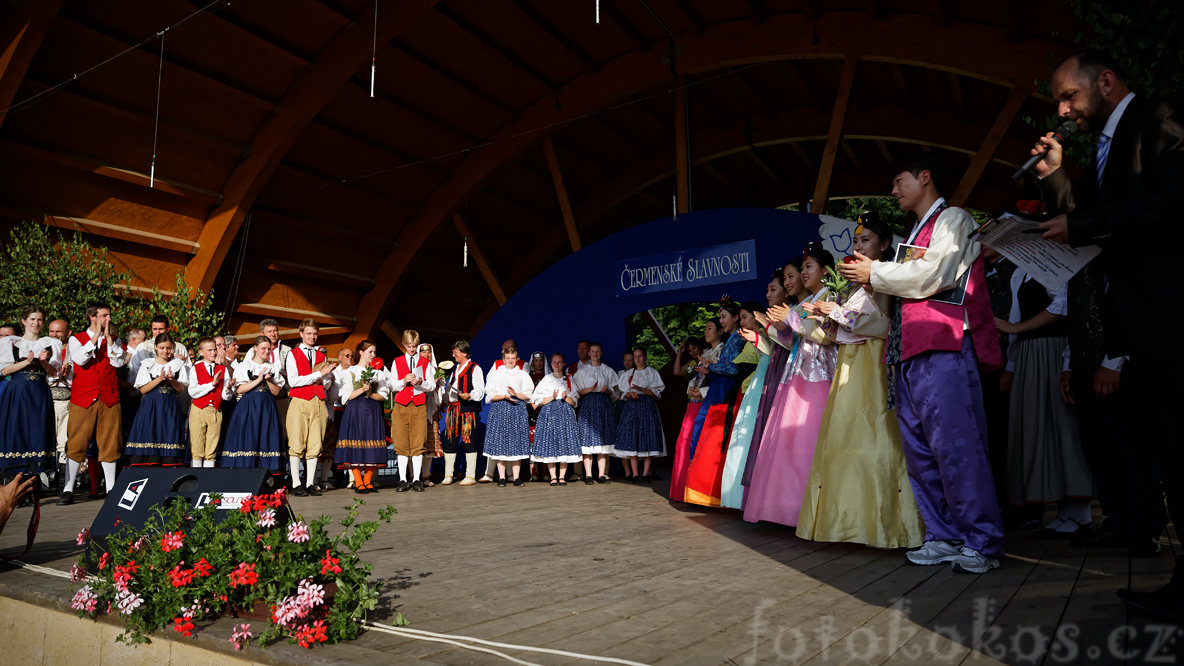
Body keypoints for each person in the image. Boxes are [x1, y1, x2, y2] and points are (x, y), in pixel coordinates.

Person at [1026, 50, 1184, 614]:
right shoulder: (1101, 149)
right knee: (1166, 450)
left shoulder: (1158, 115)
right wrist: (1055, 176)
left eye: (1069, 96)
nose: (1064, 109)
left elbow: (1170, 200)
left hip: (1169, 315)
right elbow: (1092, 227)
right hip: (1136, 326)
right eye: (1059, 102)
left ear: (1107, 81)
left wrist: (1086, 220)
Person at [838, 159, 1004, 574]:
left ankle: (981, 540)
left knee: (957, 447)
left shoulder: (953, 218)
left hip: (944, 345)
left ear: (925, 176)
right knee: (921, 451)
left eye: (898, 181)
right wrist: (872, 278)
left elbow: (936, 273)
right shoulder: (915, 232)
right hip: (910, 350)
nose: (893, 191)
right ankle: (943, 535)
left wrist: (875, 270)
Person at [796, 214, 925, 548]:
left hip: (873, 365)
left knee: (877, 435)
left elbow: (884, 324)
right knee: (844, 438)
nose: (858, 245)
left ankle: (883, 523)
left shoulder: (887, 279)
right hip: (850, 364)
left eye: (866, 239)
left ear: (884, 245)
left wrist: (835, 313)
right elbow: (841, 330)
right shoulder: (854, 285)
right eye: (856, 240)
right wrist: (830, 315)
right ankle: (846, 520)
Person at [744, 243, 838, 528]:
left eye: (809, 267)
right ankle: (787, 508)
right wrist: (771, 328)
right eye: (804, 267)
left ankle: (810, 509)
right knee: (787, 443)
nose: (804, 273)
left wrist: (790, 319)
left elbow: (825, 336)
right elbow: (794, 341)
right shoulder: (809, 301)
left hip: (818, 374)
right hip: (796, 372)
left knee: (807, 441)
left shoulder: (830, 298)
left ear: (825, 271)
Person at [719, 278, 789, 510]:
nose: (741, 321)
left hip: (767, 379)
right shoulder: (752, 334)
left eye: (773, 289)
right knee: (748, 433)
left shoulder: (772, 325)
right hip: (758, 381)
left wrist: (759, 336)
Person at [684, 299, 757, 507]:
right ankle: (702, 488)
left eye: (725, 317)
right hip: (720, 388)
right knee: (704, 433)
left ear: (735, 318)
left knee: (713, 437)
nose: (722, 321)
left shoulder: (739, 339)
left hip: (726, 390)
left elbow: (734, 369)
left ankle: (709, 490)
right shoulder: (734, 339)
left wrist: (712, 367)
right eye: (720, 318)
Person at [60, 303, 126, 505]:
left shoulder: (115, 340)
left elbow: (119, 363)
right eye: (104, 316)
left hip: (108, 398)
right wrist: (95, 338)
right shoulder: (76, 339)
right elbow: (80, 360)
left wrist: (108, 340)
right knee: (77, 442)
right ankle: (68, 488)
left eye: (108, 315)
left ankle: (111, 488)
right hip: (83, 398)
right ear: (93, 318)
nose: (108, 319)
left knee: (110, 442)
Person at [0, 307, 62, 477]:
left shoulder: (50, 343)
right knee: (16, 430)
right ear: (24, 321)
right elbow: (4, 371)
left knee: (37, 431)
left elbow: (54, 373)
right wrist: (26, 362)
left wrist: (42, 362)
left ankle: (34, 477)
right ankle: (14, 477)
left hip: (39, 392)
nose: (36, 323)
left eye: (40, 320)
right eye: (33, 319)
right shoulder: (10, 342)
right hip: (18, 391)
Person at [284, 319, 336, 496]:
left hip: (319, 401)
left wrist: (327, 378)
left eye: (314, 334)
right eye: (308, 333)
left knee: (316, 443)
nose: (312, 337)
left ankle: (310, 483)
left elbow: (326, 385)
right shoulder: (293, 354)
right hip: (299, 400)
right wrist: (318, 374)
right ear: (301, 334)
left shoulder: (322, 355)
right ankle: (296, 482)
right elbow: (294, 381)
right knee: (296, 443)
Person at [220, 336, 285, 475]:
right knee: (249, 437)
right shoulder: (244, 366)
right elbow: (239, 389)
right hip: (249, 407)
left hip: (267, 407)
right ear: (255, 348)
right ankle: (245, 472)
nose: (266, 351)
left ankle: (266, 473)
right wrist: (259, 380)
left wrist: (270, 380)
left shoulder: (272, 367)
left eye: (269, 349)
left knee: (265, 437)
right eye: (263, 348)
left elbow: (276, 392)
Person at [335, 340, 390, 494]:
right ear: (360, 352)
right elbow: (344, 397)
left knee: (372, 444)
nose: (373, 355)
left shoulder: (378, 372)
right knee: (356, 445)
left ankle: (368, 482)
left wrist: (371, 393)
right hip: (355, 410)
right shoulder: (349, 371)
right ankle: (358, 482)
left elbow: (384, 394)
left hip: (372, 410)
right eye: (370, 352)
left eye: (374, 352)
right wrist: (362, 390)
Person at [125, 333, 189, 466]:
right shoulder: (148, 364)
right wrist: (159, 379)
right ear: (155, 347)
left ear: (173, 348)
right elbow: (143, 389)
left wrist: (171, 380)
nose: (165, 351)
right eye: (162, 348)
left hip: (170, 406)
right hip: (151, 406)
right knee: (150, 434)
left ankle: (168, 464)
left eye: (168, 348)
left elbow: (181, 389)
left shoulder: (178, 364)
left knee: (168, 435)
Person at [388, 330, 435, 492]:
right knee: (401, 443)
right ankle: (402, 479)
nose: (412, 349)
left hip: (419, 405)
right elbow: (391, 385)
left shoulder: (425, 362)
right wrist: (403, 381)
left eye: (414, 346)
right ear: (403, 345)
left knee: (418, 442)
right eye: (409, 346)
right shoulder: (397, 361)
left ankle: (416, 479)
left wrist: (421, 382)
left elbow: (432, 386)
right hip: (401, 405)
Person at [483, 345, 535, 486]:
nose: (510, 361)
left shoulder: (522, 375)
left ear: (517, 359)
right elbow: (490, 394)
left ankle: (516, 477)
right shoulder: (496, 374)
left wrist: (516, 394)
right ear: (503, 359)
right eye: (508, 358)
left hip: (517, 409)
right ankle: (501, 478)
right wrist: (504, 396)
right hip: (500, 409)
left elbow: (529, 395)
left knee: (516, 443)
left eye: (513, 358)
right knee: (501, 443)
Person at [613, 347, 665, 482]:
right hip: (632, 408)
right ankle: (635, 474)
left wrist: (642, 389)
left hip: (647, 407)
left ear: (645, 357)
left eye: (640, 356)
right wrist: (629, 393)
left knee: (648, 437)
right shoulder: (628, 375)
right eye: (635, 357)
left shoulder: (652, 373)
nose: (637, 359)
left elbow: (657, 393)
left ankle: (646, 473)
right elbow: (623, 394)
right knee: (632, 438)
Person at [531, 352, 582, 486]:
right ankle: (553, 476)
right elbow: (538, 400)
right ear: (551, 363)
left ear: (564, 363)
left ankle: (562, 476)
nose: (557, 365)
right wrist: (552, 398)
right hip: (549, 414)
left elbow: (574, 402)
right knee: (550, 444)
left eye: (559, 362)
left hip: (565, 414)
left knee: (564, 444)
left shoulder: (569, 379)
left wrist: (565, 397)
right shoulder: (547, 379)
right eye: (554, 362)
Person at [440, 340, 483, 486]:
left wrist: (470, 395)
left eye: (456, 353)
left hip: (468, 410)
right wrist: (444, 402)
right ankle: (448, 475)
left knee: (469, 439)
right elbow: (449, 390)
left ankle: (470, 475)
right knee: (450, 440)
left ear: (464, 353)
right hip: (453, 409)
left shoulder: (475, 368)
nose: (453, 355)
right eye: (453, 353)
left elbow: (480, 390)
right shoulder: (455, 369)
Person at [187, 337, 235, 468]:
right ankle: (196, 473)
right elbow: (192, 392)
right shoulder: (195, 368)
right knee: (197, 445)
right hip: (199, 409)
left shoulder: (222, 369)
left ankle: (208, 477)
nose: (213, 353)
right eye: (210, 350)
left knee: (212, 446)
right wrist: (211, 384)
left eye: (215, 349)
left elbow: (226, 397)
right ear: (201, 352)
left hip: (215, 409)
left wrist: (229, 389)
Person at [574, 341, 617, 485]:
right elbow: (577, 392)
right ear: (588, 353)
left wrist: (608, 390)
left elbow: (616, 392)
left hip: (603, 405)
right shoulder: (582, 372)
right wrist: (589, 389)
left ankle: (601, 474)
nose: (595, 354)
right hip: (588, 405)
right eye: (592, 351)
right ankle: (588, 475)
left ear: (601, 353)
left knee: (602, 441)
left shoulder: (607, 370)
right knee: (587, 440)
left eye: (597, 351)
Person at [667, 336, 703, 499]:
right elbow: (676, 372)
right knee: (685, 442)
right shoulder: (690, 365)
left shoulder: (709, 358)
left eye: (694, 348)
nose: (692, 352)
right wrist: (680, 354)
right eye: (689, 350)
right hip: (692, 403)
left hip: (704, 401)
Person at [46, 319, 72, 486]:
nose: (54, 335)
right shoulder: (43, 347)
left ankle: (63, 483)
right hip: (45, 400)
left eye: (58, 332)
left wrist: (66, 376)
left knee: (64, 442)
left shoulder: (74, 349)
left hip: (66, 400)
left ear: (68, 333)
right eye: (51, 331)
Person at [417, 342, 442, 488]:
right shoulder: (417, 368)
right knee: (416, 444)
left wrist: (437, 386)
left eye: (429, 351)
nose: (426, 354)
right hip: (417, 408)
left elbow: (440, 392)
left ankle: (425, 476)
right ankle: (414, 477)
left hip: (431, 409)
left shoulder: (435, 369)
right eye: (423, 351)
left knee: (429, 445)